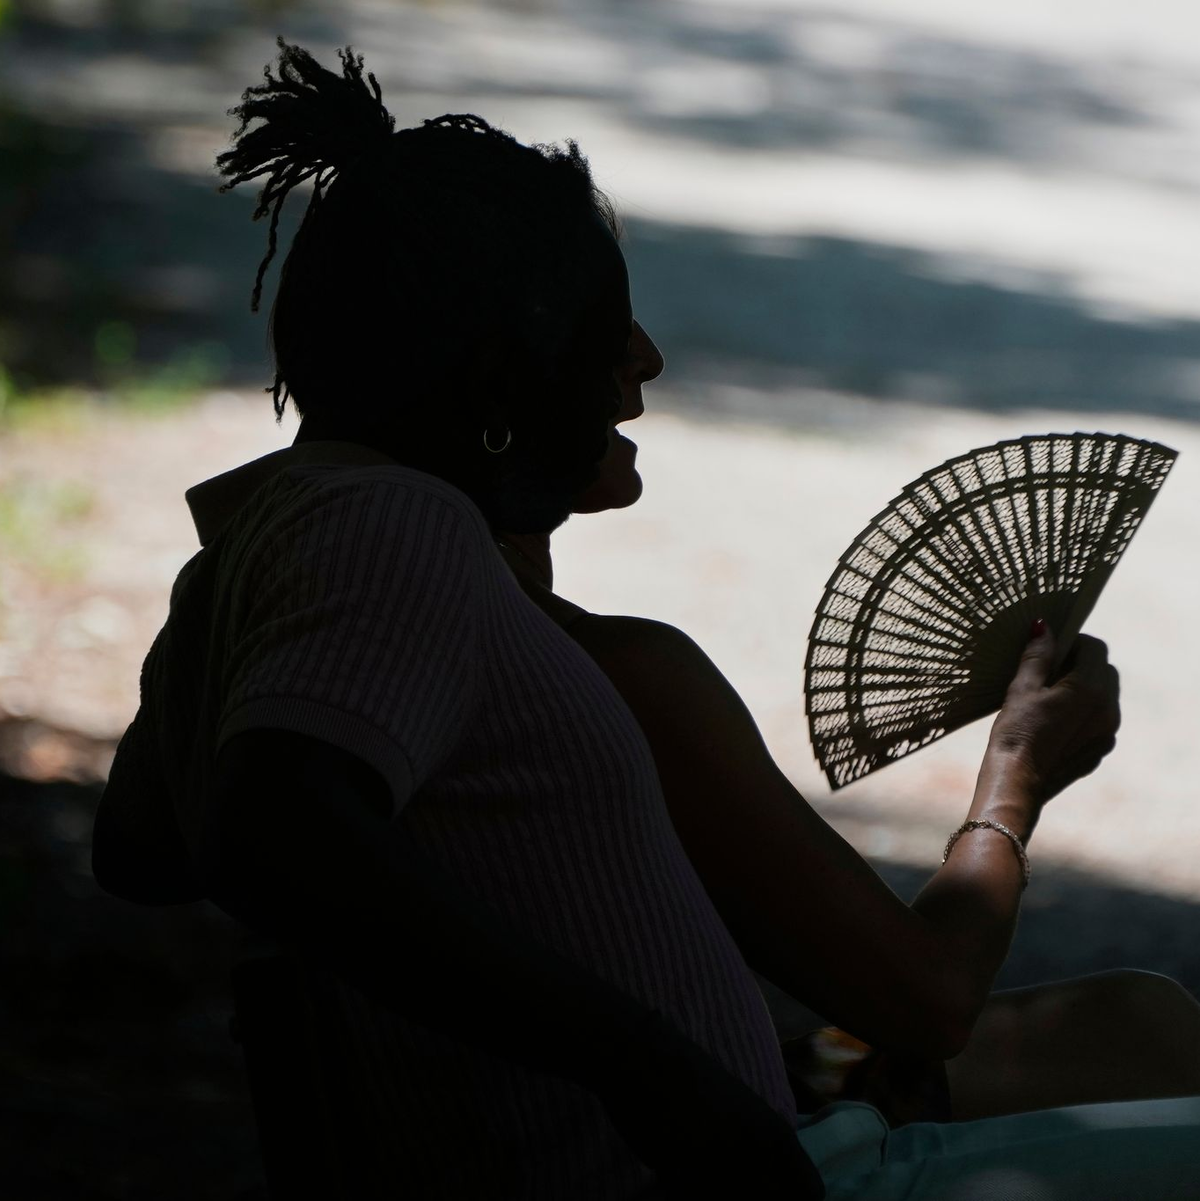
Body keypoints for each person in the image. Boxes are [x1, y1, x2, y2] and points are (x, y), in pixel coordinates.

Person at [92, 40, 1200, 1199]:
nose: (646, 360)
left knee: (1139, 1027)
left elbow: (142, 843)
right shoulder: (398, 527)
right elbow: (272, 829)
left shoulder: (270, 553)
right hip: (723, 1172)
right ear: (498, 385)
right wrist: (648, 1065)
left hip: (715, 1134)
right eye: (599, 324)